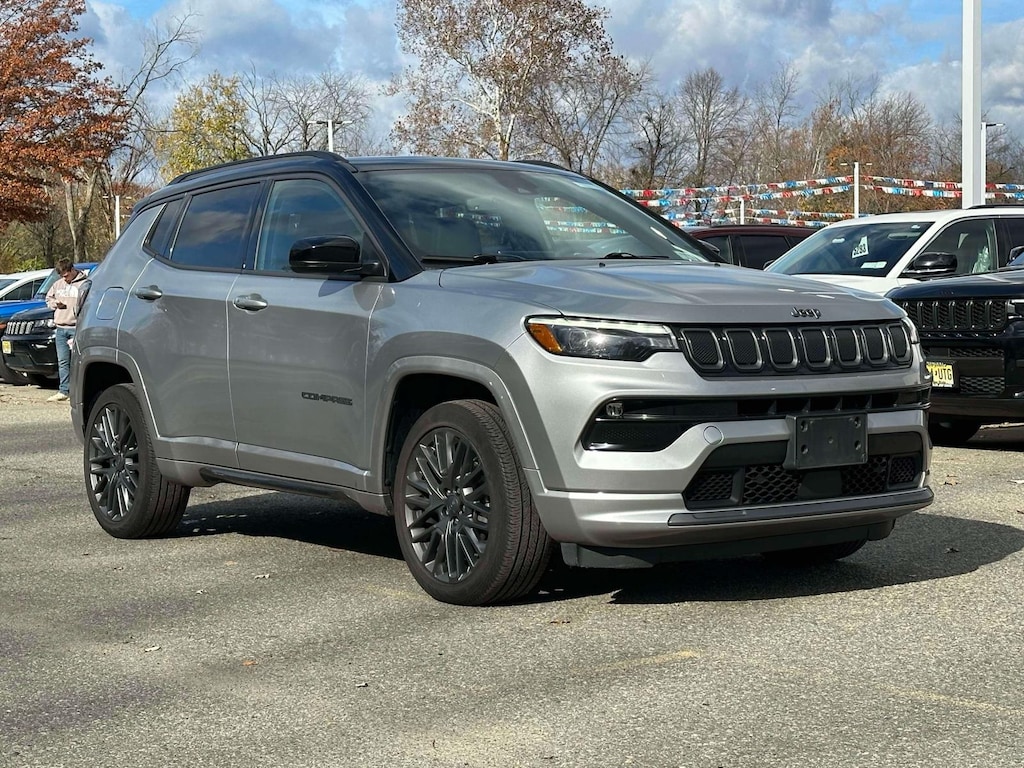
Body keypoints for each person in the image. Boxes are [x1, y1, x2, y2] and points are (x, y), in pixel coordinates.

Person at [44, 258, 87, 402]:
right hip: (61, 328)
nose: (64, 278)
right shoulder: (58, 285)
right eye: (62, 276)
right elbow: (48, 299)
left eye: (66, 275)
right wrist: (55, 304)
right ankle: (64, 390)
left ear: (72, 270)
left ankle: (78, 391)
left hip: (76, 328)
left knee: (78, 361)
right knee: (63, 361)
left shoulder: (84, 284)